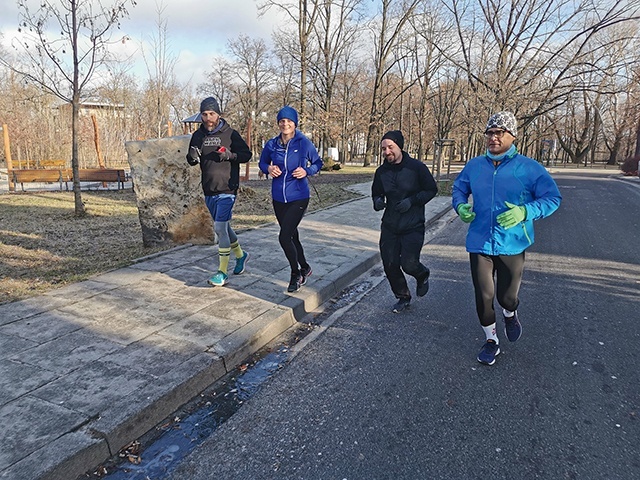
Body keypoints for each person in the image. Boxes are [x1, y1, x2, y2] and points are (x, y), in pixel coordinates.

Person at [452, 111, 562, 366]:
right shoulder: (475, 165)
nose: (493, 138)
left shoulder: (529, 167)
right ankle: (491, 340)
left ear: (513, 136)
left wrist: (525, 211)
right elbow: (459, 188)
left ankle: (510, 313)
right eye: (489, 133)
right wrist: (460, 206)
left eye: (499, 133)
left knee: (506, 297)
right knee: (483, 295)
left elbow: (553, 198)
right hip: (479, 241)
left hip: (512, 243)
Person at [186, 97, 252, 287]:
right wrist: (191, 157)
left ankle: (222, 272)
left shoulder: (230, 134)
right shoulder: (198, 136)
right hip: (209, 189)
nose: (208, 118)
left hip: (227, 189)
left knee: (219, 228)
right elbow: (192, 160)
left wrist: (230, 155)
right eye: (205, 114)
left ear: (218, 114)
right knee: (224, 227)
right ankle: (241, 255)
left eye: (212, 114)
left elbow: (246, 155)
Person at [371, 130, 438, 313]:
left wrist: (412, 201)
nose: (387, 152)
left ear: (399, 146)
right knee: (390, 264)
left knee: (408, 263)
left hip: (413, 225)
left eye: (390, 147)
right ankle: (402, 296)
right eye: (384, 148)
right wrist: (377, 201)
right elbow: (376, 192)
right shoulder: (381, 171)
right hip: (390, 225)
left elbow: (432, 189)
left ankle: (422, 273)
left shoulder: (416, 168)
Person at [258, 106, 323, 292]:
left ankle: (296, 274)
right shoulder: (272, 144)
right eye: (282, 121)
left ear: (295, 123)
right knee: (292, 235)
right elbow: (262, 163)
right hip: (278, 197)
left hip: (299, 196)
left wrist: (307, 170)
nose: (285, 124)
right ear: (278, 123)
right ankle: (305, 267)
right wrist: (268, 169)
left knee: (284, 236)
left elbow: (318, 162)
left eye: (289, 121)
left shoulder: (303, 143)